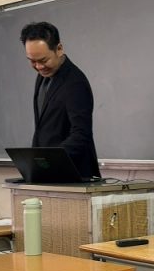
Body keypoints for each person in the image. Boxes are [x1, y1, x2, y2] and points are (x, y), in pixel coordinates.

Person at [20, 21, 100, 179]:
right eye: (32, 61)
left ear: (59, 49)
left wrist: (49, 160)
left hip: (74, 176)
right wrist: (34, 165)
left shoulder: (75, 82)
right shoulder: (43, 76)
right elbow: (43, 129)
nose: (39, 67)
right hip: (48, 174)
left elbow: (81, 134)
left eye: (43, 60)